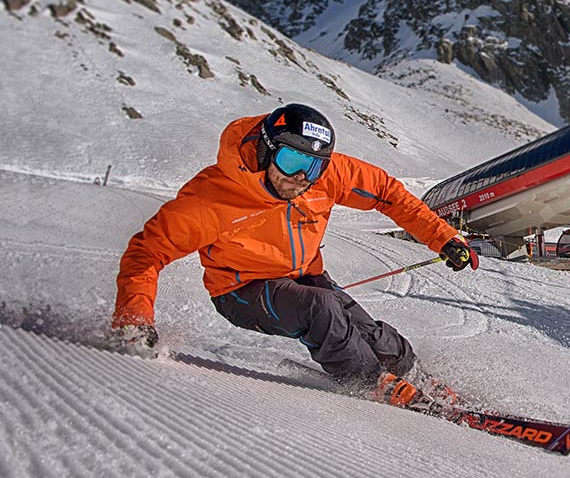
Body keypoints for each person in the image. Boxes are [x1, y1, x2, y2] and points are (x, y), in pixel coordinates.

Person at [110, 103, 477, 405]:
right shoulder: (211, 198)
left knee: (372, 334)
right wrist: (135, 318)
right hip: (242, 291)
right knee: (321, 309)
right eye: (290, 161)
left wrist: (443, 238)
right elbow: (146, 253)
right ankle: (371, 382)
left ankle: (413, 375)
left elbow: (387, 193)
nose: (301, 177)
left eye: (313, 166)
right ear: (265, 150)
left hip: (304, 276)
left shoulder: (322, 177)